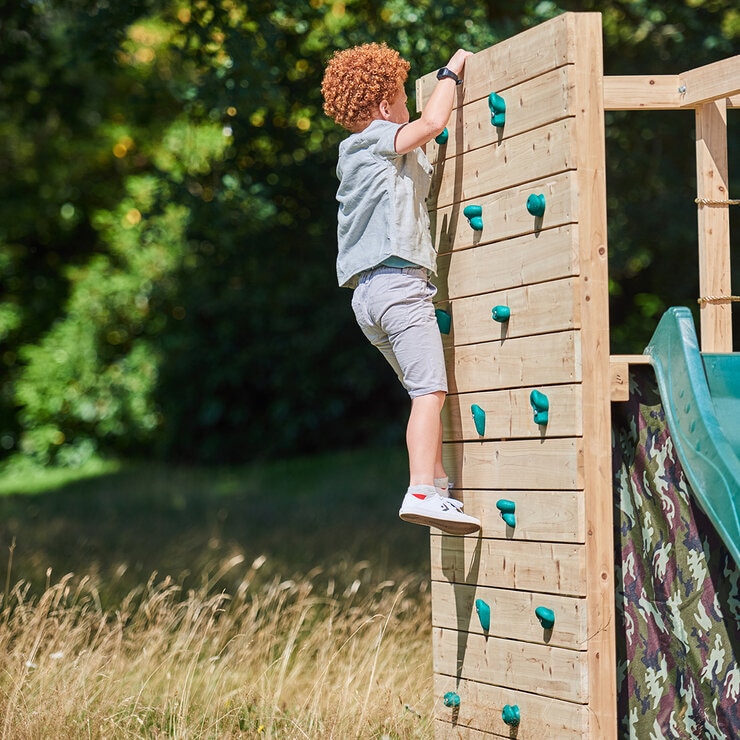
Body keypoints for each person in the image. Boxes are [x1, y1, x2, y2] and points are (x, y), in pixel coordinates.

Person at [321, 43, 480, 536]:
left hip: (367, 300)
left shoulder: (357, 155)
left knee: (420, 388)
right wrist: (450, 74)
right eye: (403, 100)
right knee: (430, 391)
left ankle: (439, 486)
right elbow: (431, 125)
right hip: (398, 287)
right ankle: (420, 490)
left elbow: (419, 166)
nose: (409, 109)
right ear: (384, 104)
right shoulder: (376, 139)